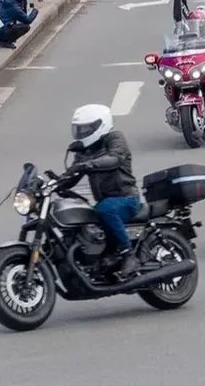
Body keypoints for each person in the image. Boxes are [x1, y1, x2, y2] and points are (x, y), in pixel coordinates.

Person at [67, 104, 140, 278]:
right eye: (79, 129)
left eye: (86, 128)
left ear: (101, 125)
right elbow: (73, 175)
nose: (82, 133)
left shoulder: (115, 138)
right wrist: (54, 183)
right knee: (80, 216)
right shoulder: (84, 150)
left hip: (126, 198)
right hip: (105, 201)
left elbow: (114, 158)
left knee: (105, 209)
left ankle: (128, 254)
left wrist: (88, 164)